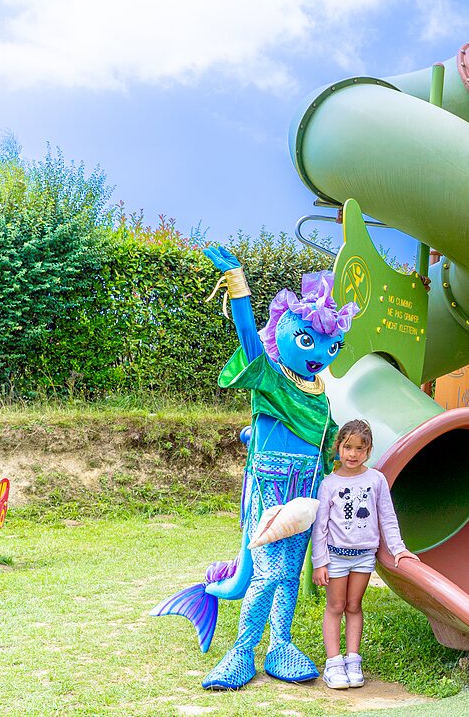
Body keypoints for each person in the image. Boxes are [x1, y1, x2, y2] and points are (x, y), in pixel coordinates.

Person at [151, 248, 358, 690]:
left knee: (288, 571)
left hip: (308, 486)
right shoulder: (269, 376)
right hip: (270, 485)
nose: (321, 353)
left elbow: (331, 441)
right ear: (285, 333)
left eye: (331, 345)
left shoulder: (320, 393)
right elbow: (248, 337)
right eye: (308, 340)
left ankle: (280, 644)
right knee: (265, 571)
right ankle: (242, 650)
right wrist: (237, 284)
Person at [312, 419, 419, 689]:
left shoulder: (376, 480)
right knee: (335, 607)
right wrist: (319, 562)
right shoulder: (329, 484)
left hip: (363, 557)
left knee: (354, 606)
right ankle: (334, 662)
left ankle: (353, 659)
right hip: (335, 557)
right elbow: (320, 527)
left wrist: (399, 549)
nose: (353, 454)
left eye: (360, 448)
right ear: (338, 448)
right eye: (348, 447)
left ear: (369, 450)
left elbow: (387, 517)